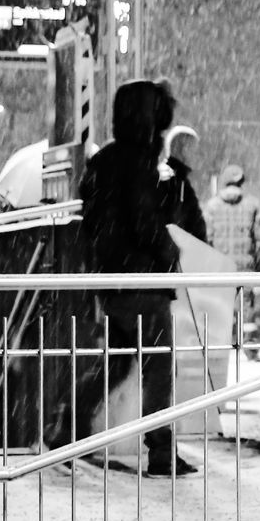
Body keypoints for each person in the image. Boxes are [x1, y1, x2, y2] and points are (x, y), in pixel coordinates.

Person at [78, 78, 196, 476]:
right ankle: (161, 453)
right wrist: (168, 247)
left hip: (112, 282)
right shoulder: (139, 162)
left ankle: (67, 427)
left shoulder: (103, 161)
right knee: (159, 367)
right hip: (143, 280)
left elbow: (96, 220)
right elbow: (144, 221)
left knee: (114, 364)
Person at [203, 163, 260, 344]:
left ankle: (221, 344)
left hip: (220, 269)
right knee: (246, 308)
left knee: (221, 307)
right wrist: (257, 265)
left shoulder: (212, 206)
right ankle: (250, 346)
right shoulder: (252, 206)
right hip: (246, 268)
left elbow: (206, 239)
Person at [159, 123, 207, 242]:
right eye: (194, 150)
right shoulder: (168, 178)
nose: (198, 155)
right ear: (183, 150)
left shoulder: (180, 180)